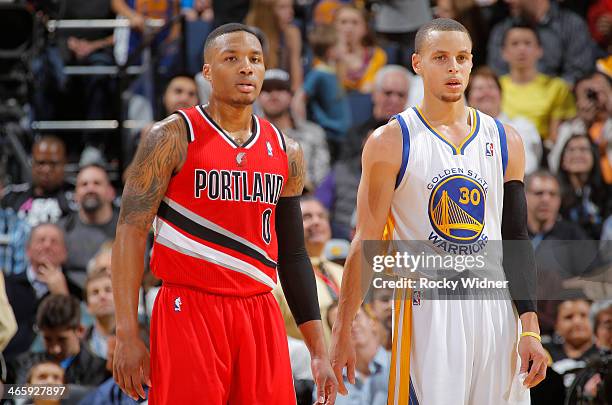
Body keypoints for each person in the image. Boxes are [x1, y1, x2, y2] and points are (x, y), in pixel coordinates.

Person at [111, 23, 337, 404]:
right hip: (189, 307)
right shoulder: (171, 136)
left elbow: (295, 256)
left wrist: (317, 350)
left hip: (260, 310)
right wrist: (127, 334)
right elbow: (130, 232)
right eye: (231, 58)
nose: (246, 68)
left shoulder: (287, 150)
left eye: (255, 60)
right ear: (208, 72)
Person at [330, 18, 547, 405]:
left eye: (462, 58)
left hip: (498, 312)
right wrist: (343, 329)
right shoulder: (390, 141)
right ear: (417, 63)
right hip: (428, 312)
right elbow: (366, 243)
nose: (453, 68)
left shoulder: (505, 139)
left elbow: (516, 237)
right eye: (441, 57)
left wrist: (529, 325)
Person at [273, 196, 343, 343]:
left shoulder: (342, 272)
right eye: (306, 217)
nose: (316, 222)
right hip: (305, 363)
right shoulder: (278, 279)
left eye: (321, 216)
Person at [4, 223, 73, 360]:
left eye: (54, 242)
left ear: (64, 253)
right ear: (27, 250)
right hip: (10, 365)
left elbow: (77, 335)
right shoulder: (6, 286)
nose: (47, 245)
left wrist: (62, 296)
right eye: (41, 240)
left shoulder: (75, 290)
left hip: (54, 368)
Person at [487, 0, 596, 85]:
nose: (508, 1)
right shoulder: (501, 31)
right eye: (515, 44)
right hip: (510, 102)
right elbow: (497, 74)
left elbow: (579, 72)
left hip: (560, 101)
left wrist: (549, 94)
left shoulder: (572, 25)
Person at [499, 22, 575, 142]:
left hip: (543, 152)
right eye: (515, 44)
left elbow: (557, 137)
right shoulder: (494, 88)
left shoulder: (557, 87)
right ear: (504, 52)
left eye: (528, 43)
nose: (521, 49)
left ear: (539, 50)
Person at [8, 294, 108, 385]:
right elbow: (12, 394)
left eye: (62, 340)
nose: (55, 349)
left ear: (80, 330)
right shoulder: (24, 364)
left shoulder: (98, 369)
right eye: (48, 339)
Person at [259, 69, 330, 188]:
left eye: (280, 89)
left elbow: (322, 180)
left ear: (291, 96)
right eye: (267, 90)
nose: (273, 95)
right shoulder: (246, 136)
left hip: (304, 201)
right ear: (257, 97)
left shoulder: (314, 133)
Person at [466, 66, 542, 175]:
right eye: (479, 88)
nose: (486, 92)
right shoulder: (461, 132)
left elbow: (529, 167)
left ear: (501, 95)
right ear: (468, 98)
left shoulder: (522, 127)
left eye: (491, 87)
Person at [300, 23, 352, 161]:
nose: (346, 47)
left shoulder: (335, 72)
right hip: (328, 135)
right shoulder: (318, 73)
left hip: (341, 135)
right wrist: (302, 126)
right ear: (331, 51)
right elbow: (299, 99)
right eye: (342, 44)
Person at [550, 71, 612, 184]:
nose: (596, 99)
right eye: (589, 94)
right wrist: (585, 124)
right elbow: (556, 165)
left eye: (602, 91)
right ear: (577, 102)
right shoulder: (569, 129)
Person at [340, 64, 412, 161]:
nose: (394, 100)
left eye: (401, 95)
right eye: (388, 93)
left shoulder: (415, 138)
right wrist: (365, 152)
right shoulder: (356, 134)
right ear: (375, 94)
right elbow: (343, 170)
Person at [323, 302, 390, 405]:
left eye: (355, 317)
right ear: (334, 338)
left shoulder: (401, 366)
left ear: (371, 321)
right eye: (340, 324)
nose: (352, 325)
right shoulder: (328, 383)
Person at [59, 164, 118, 276]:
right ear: (75, 195)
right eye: (84, 184)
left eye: (97, 183)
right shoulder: (61, 231)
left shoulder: (127, 230)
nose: (90, 189)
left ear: (111, 192)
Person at [1, 136, 73, 227]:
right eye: (41, 163)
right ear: (32, 164)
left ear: (64, 164)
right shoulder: (11, 196)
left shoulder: (76, 197)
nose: (46, 170)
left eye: (53, 163)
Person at [557, 133, 611, 239]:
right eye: (571, 150)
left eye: (583, 149)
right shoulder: (554, 195)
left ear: (594, 157)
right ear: (563, 160)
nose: (577, 155)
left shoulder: (608, 194)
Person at [245, 0, 303, 91]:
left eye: (291, 6)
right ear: (267, 12)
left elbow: (296, 82)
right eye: (282, 7)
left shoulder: (291, 33)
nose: (291, 12)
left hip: (283, 92)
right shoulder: (251, 35)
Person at [334, 5, 387, 94]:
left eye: (355, 23)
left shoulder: (377, 55)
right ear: (334, 26)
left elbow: (368, 89)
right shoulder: (324, 54)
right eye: (343, 22)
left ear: (365, 28)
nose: (349, 28)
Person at [83, 268, 115, 360]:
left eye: (108, 290)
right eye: (95, 292)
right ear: (87, 306)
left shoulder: (139, 336)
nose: (102, 296)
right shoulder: (81, 344)